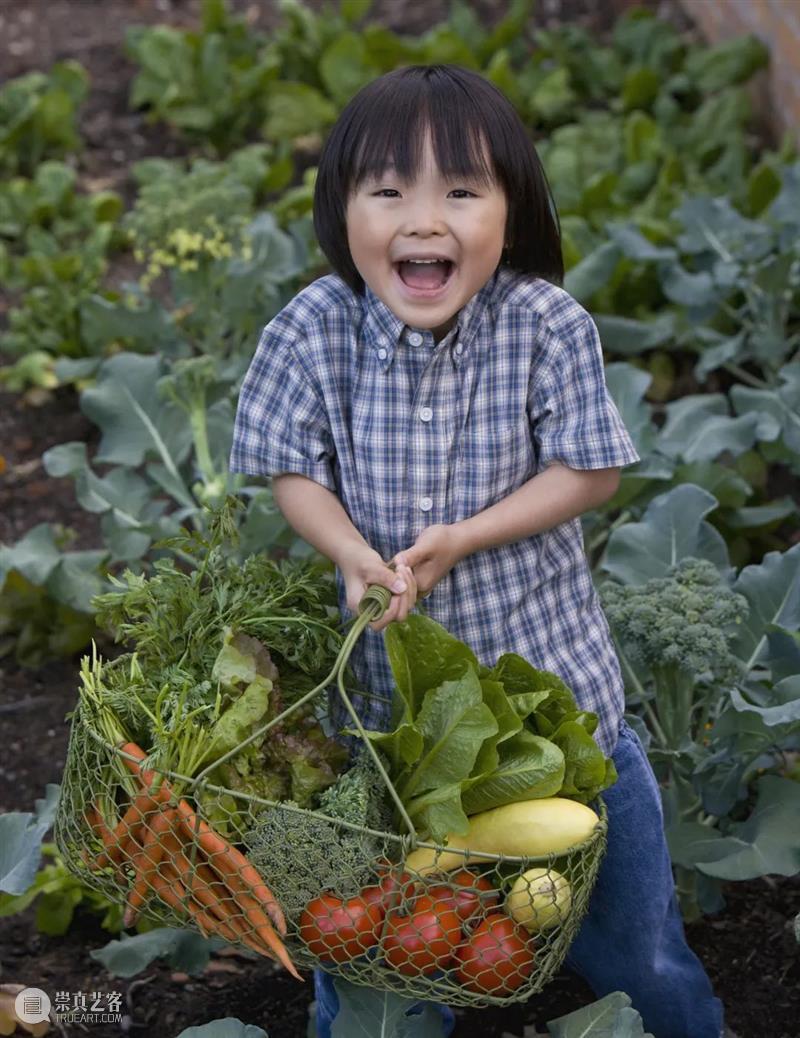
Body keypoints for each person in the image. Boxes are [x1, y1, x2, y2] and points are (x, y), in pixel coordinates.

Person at [229, 64, 728, 1038]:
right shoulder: (313, 327)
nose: (423, 220)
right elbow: (290, 468)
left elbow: (589, 472)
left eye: (460, 191)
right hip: (392, 734)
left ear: (511, 210)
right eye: (387, 192)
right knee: (386, 957)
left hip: (561, 719)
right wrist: (344, 550)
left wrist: (465, 535)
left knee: (638, 952)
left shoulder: (544, 325)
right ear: (341, 211)